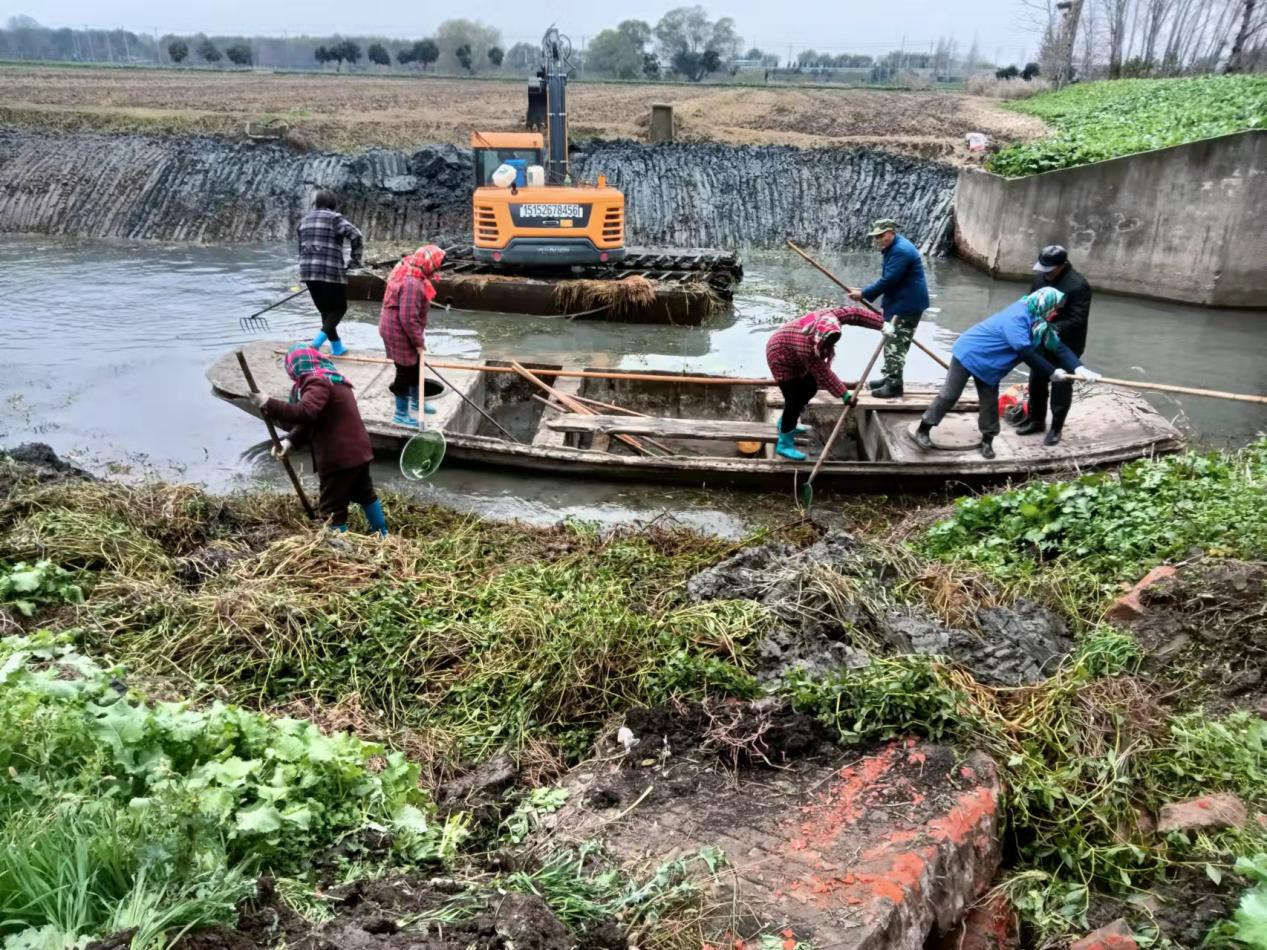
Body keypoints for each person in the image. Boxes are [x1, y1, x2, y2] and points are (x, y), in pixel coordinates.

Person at [912, 287, 1102, 459]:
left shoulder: (1039, 322)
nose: (1055, 312)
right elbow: (1025, 350)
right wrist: (1052, 372)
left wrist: (1079, 368)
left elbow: (1058, 347)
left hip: (991, 365)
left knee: (989, 403)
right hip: (969, 354)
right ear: (1044, 305)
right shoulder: (1017, 317)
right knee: (949, 395)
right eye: (1054, 308)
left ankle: (987, 440)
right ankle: (924, 429)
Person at [251, 344, 387, 536]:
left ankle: (339, 548)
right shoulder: (332, 378)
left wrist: (268, 403)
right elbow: (312, 419)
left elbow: (306, 412)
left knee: (332, 508)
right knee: (365, 494)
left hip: (339, 457)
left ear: (294, 367)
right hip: (358, 452)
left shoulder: (317, 381)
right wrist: (289, 442)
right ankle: (383, 534)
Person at [765, 305, 887, 461]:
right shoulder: (806, 347)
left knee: (810, 387)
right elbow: (824, 374)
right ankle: (785, 444)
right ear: (819, 338)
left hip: (791, 348)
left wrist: (882, 324)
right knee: (793, 400)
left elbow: (855, 313)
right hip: (779, 356)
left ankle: (787, 422)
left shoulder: (831, 318)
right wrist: (844, 394)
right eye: (826, 344)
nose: (829, 348)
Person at [849, 217, 930, 400]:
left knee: (896, 344)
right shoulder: (894, 247)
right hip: (899, 301)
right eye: (876, 236)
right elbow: (892, 282)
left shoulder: (901, 251)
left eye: (881, 236)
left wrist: (863, 293)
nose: (877, 239)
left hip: (907, 305)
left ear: (890, 233)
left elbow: (889, 280)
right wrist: (886, 306)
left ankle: (894, 385)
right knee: (891, 339)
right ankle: (888, 377)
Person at [1021, 244, 1093, 445]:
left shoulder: (1078, 285)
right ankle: (1036, 420)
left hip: (1066, 342)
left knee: (1061, 385)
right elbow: (1031, 304)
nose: (1045, 274)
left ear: (1061, 266)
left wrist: (1049, 327)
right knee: (1036, 380)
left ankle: (1056, 427)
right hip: (1041, 340)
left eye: (1049, 270)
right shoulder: (1040, 278)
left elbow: (1077, 319)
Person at [378, 245, 446, 427]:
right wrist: (418, 342)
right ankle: (400, 414)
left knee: (416, 367)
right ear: (429, 264)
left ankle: (417, 401)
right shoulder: (413, 283)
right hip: (397, 330)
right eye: (436, 266)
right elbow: (408, 318)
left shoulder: (413, 268)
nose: (437, 270)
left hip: (401, 326)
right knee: (405, 371)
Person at [297, 190, 363, 358]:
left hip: (307, 271)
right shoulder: (334, 218)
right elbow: (356, 235)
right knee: (339, 308)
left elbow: (301, 248)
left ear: (316, 204)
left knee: (326, 312)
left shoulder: (303, 221)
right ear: (333, 204)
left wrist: (308, 269)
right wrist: (355, 260)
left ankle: (337, 348)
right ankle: (315, 345)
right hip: (330, 271)